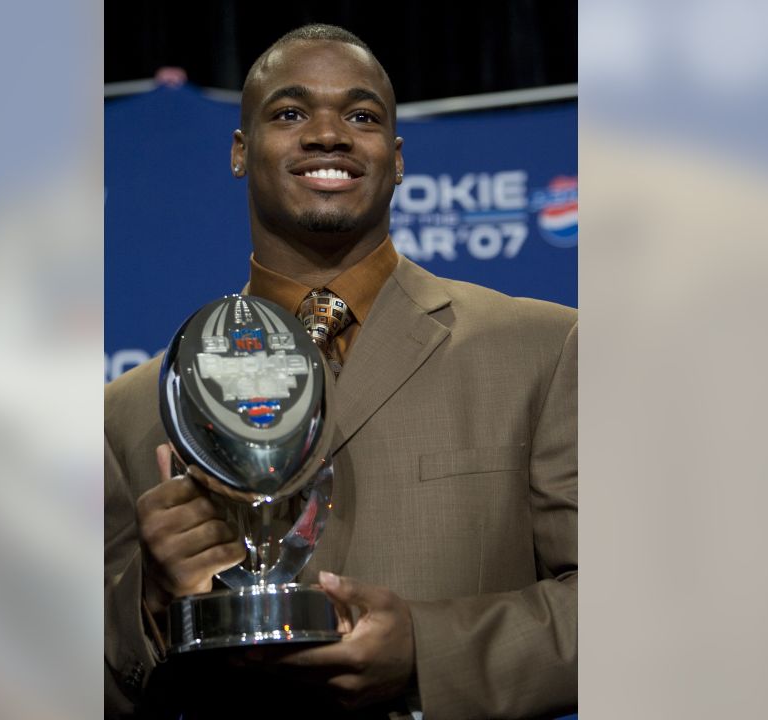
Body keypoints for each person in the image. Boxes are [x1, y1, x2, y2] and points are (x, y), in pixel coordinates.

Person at [105, 24, 577, 719]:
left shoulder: (541, 349)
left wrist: (427, 649)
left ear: (397, 157)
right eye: (290, 112)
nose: (328, 134)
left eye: (362, 116)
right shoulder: (135, 408)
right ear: (240, 151)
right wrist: (148, 602)